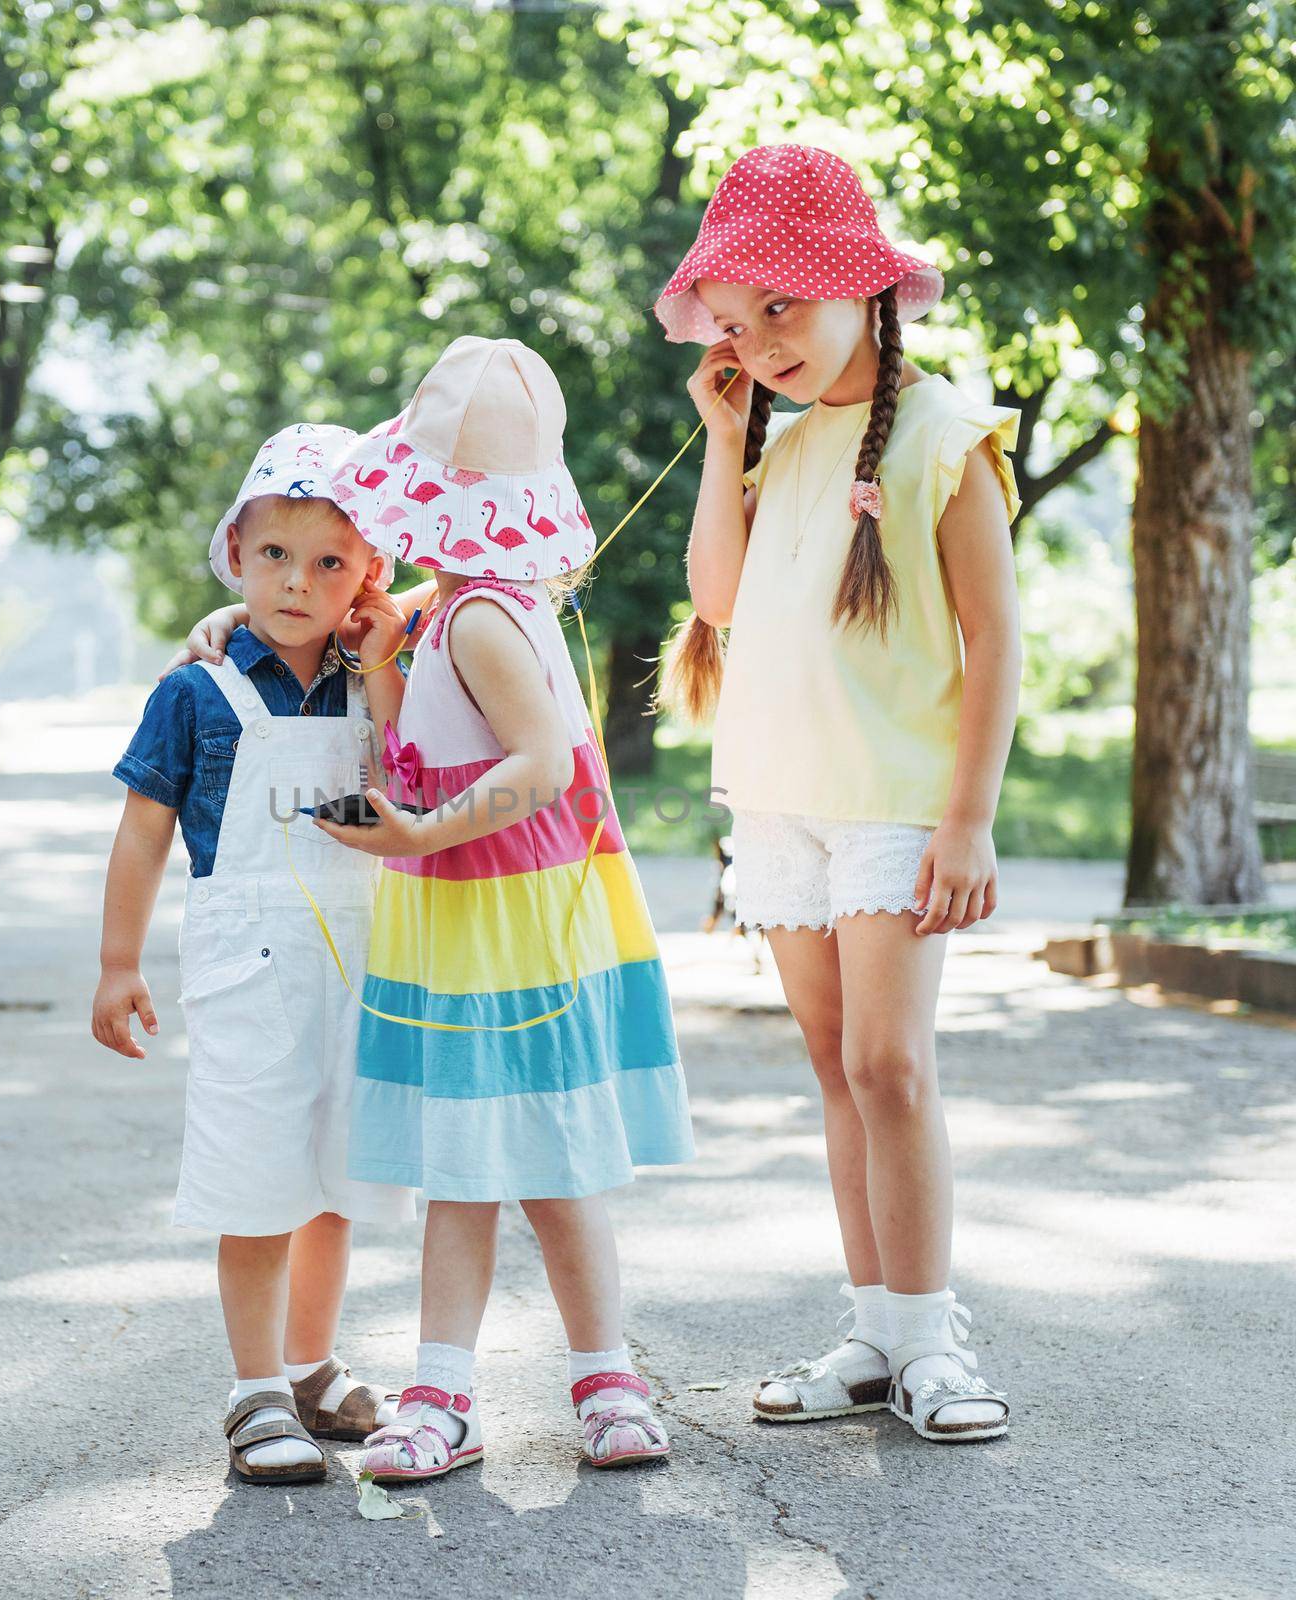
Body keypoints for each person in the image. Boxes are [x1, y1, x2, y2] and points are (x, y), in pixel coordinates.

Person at [658, 144, 1019, 1442]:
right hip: (777, 801)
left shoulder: (944, 435)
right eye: (737, 323)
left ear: (860, 286)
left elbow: (995, 640)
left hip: (894, 803)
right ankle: (874, 1327)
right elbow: (718, 599)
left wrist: (967, 817)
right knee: (829, 1062)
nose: (758, 342)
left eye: (781, 308)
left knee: (888, 1062)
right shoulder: (786, 443)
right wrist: (722, 435)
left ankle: (931, 1338)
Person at [313, 337, 696, 1479]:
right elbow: (429, 734)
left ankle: (595, 1376)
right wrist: (387, 660)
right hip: (480, 916)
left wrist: (422, 833)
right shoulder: (457, 610)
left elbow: (541, 763)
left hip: (503, 917)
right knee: (477, 1163)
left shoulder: (482, 618)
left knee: (540, 1168)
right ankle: (457, 1385)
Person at [90, 424, 416, 1486]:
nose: (297, 581)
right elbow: (143, 828)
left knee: (336, 1180)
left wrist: (380, 646)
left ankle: (312, 1366)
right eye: (274, 554)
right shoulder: (199, 690)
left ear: (368, 574)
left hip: (362, 962)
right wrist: (117, 962)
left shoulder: (379, 678)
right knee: (256, 1178)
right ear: (235, 552)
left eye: (331, 561)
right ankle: (254, 1390)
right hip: (251, 970)